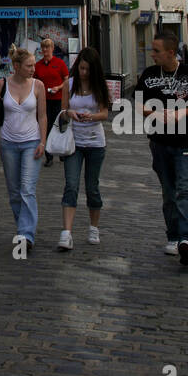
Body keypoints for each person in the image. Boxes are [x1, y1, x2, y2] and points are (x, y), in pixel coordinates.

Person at [135, 31, 188, 267]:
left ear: (170, 52)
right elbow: (137, 104)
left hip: (185, 142)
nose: (151, 54)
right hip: (159, 142)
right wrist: (153, 112)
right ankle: (173, 236)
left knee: (184, 189)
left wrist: (180, 114)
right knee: (168, 192)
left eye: (156, 50)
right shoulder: (148, 75)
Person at [0, 46, 47, 254]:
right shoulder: (1, 84)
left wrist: (43, 142)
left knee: (27, 189)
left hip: (32, 142)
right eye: (29, 65)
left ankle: (25, 235)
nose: (33, 68)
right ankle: (23, 228)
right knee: (14, 192)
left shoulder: (38, 86)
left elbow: (42, 116)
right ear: (16, 66)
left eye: (33, 65)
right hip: (8, 144)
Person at [57, 47, 111, 251]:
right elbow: (62, 111)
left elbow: (105, 113)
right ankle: (66, 232)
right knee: (71, 184)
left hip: (96, 142)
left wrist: (92, 116)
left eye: (88, 69)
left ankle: (93, 227)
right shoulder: (68, 85)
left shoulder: (100, 86)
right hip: (74, 142)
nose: (84, 73)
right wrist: (69, 113)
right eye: (81, 68)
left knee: (92, 187)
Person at [35, 35, 69, 167]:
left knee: (59, 126)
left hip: (58, 99)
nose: (45, 50)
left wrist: (58, 87)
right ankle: (48, 156)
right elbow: (34, 81)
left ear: (53, 49)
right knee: (46, 127)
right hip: (44, 100)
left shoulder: (59, 63)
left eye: (47, 47)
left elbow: (66, 80)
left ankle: (61, 153)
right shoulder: (38, 65)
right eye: (43, 47)